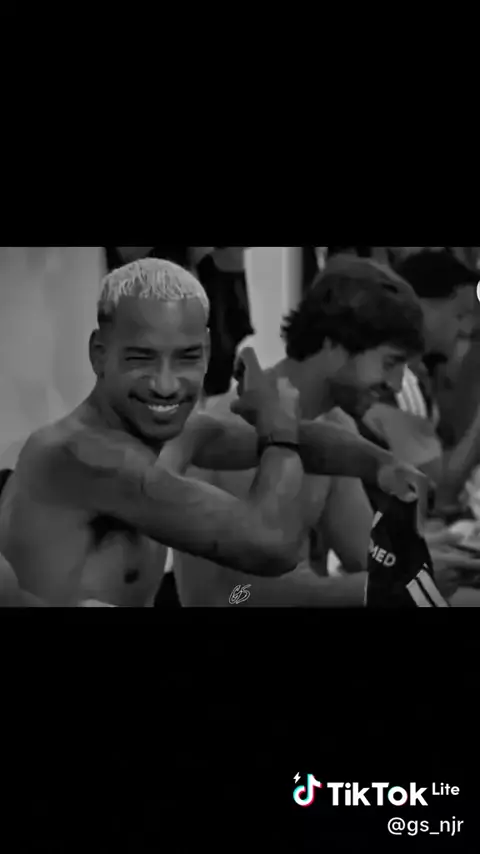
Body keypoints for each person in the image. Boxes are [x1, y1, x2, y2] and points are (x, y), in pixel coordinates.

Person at [0, 258, 424, 607]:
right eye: (141, 357)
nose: (166, 384)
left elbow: (310, 447)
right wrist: (277, 430)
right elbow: (254, 570)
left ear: (206, 352)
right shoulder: (84, 455)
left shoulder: (184, 432)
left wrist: (380, 463)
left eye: (187, 358)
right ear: (99, 354)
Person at [173, 256, 476, 606]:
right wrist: (401, 580)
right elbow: (241, 596)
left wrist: (449, 560)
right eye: (390, 363)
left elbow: (365, 555)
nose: (395, 384)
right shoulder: (238, 432)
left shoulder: (334, 426)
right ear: (333, 344)